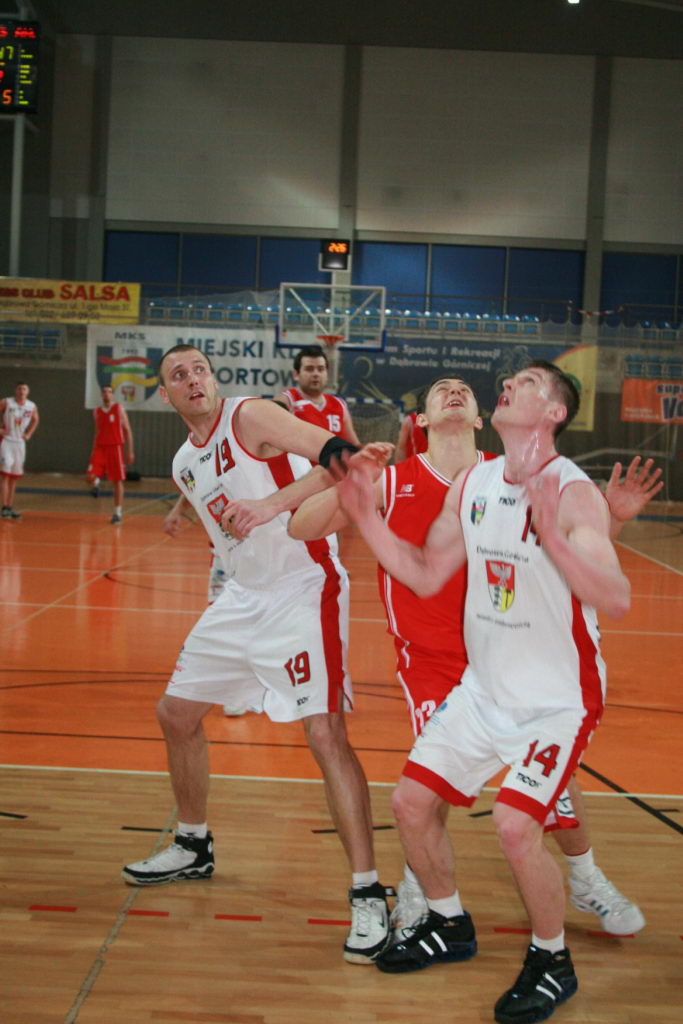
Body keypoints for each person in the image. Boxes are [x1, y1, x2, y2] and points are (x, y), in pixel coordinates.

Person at [289, 375, 660, 944]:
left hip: (509, 657)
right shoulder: (398, 479)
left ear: (482, 418)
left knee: (555, 787)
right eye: (441, 390)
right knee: (425, 792)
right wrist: (350, 485)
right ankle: (422, 889)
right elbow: (303, 527)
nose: (455, 393)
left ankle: (586, 876)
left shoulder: (506, 472)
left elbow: (570, 541)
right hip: (433, 661)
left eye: (465, 389)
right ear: (420, 420)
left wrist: (617, 518)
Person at [121, 344, 395, 966]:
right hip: (242, 596)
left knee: (325, 734)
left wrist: (272, 505)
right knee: (175, 714)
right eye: (178, 375)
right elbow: (227, 525)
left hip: (304, 587)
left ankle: (367, 891)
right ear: (164, 394)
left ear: (213, 379)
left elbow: (339, 458)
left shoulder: (250, 416)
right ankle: (193, 844)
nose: (193, 379)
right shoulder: (183, 463)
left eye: (199, 369)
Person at [275, 344, 361, 446]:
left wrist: (369, 451)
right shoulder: (288, 399)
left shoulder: (339, 405)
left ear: (327, 374)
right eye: (309, 369)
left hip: (331, 457)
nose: (316, 374)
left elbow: (354, 446)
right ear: (296, 375)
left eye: (321, 369)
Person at [86, 384, 135, 524]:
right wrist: (93, 449)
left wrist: (130, 451)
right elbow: (97, 431)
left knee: (117, 480)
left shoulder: (118, 409)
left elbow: (127, 430)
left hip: (115, 447)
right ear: (101, 395)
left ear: (112, 395)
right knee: (90, 476)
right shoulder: (97, 411)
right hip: (100, 447)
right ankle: (96, 484)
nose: (107, 394)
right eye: (104, 391)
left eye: (109, 391)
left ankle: (117, 512)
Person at [0, 381, 39, 520]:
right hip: (6, 441)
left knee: (14, 477)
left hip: (20, 443)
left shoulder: (31, 406)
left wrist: (29, 434)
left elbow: (36, 419)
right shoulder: (7, 402)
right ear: (15, 391)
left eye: (24, 389)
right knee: (5, 475)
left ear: (28, 391)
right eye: (19, 389)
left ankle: (9, 507)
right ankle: (4, 507)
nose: (22, 391)